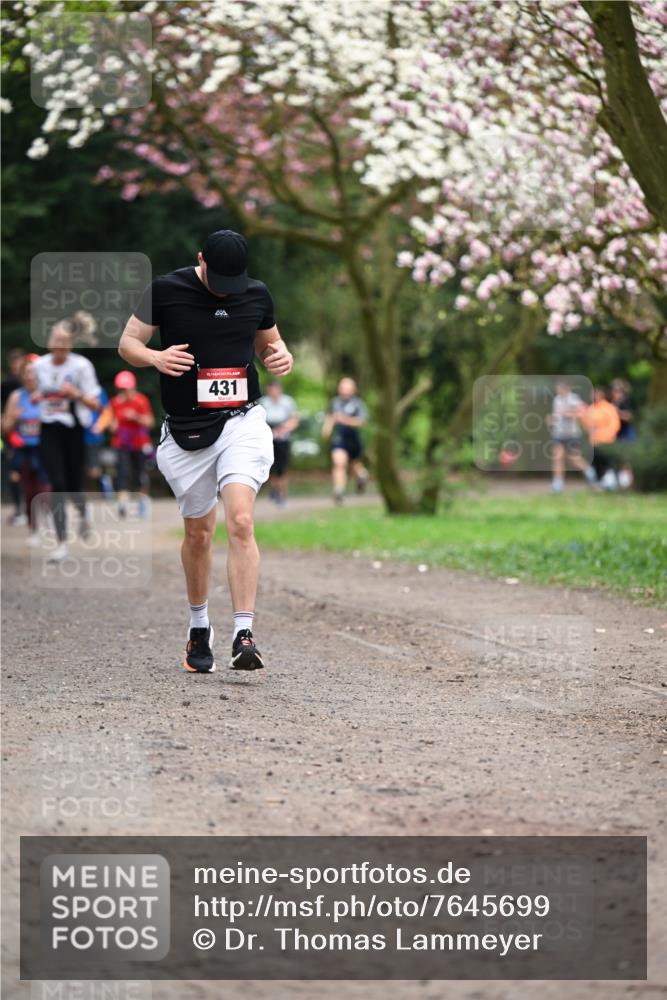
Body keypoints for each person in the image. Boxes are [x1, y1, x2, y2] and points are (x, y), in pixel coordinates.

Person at [118, 229, 293, 674]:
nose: (226, 289)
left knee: (241, 519)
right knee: (198, 533)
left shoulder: (256, 294)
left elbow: (271, 345)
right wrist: (155, 358)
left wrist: (280, 358)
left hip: (242, 421)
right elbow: (128, 344)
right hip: (186, 429)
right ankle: (200, 625)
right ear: (200, 260)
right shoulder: (166, 289)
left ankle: (244, 632)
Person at [32, 314, 103, 562]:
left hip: (74, 429)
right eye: (55, 340)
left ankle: (84, 514)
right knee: (57, 484)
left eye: (64, 342)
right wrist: (36, 397)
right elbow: (35, 393)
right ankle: (61, 543)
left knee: (74, 486)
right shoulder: (39, 366)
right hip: (49, 429)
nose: (59, 346)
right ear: (49, 341)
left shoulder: (81, 366)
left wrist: (76, 394)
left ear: (71, 344)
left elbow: (96, 405)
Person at [1, 357, 51, 543]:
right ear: (22, 375)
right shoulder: (16, 397)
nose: (31, 376)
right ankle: (34, 529)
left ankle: (46, 520)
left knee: (44, 486)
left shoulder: (47, 394)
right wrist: (13, 418)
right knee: (29, 491)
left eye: (34, 372)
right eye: (27, 372)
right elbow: (5, 427)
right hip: (23, 449)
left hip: (44, 447)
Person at [110, 370, 155, 518]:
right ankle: (123, 504)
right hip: (122, 443)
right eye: (121, 388)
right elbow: (111, 423)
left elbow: (150, 422)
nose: (124, 391)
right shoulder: (115, 402)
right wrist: (113, 426)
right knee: (122, 473)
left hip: (140, 444)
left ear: (132, 387)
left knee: (140, 474)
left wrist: (135, 417)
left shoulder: (140, 400)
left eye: (126, 388)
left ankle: (142, 503)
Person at [322, 377, 369, 504]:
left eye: (347, 387)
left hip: (353, 438)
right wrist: (327, 430)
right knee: (339, 463)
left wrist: (345, 420)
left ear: (353, 389)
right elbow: (330, 417)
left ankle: (361, 477)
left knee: (354, 466)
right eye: (342, 387)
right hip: (339, 437)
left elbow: (362, 422)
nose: (344, 390)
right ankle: (339, 490)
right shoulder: (335, 402)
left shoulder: (358, 404)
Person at [549, 380, 594, 493]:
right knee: (557, 457)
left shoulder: (573, 399)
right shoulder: (557, 400)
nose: (558, 391)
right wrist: (552, 419)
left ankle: (589, 471)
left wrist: (569, 414)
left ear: (566, 388)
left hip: (572, 434)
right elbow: (557, 415)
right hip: (559, 433)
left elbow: (583, 412)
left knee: (574, 458)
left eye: (560, 389)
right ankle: (558, 483)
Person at [259, 380, 299, 504]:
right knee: (270, 466)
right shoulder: (263, 403)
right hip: (268, 437)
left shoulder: (288, 402)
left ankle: (282, 492)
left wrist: (284, 428)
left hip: (283, 437)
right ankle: (274, 490)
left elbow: (294, 419)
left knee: (282, 467)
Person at [2, 347, 28, 524]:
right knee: (14, 471)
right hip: (12, 432)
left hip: (33, 434)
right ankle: (19, 509)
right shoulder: (7, 384)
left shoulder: (34, 382)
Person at [581, 385, 621, 489]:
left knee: (608, 464)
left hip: (606, 441)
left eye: (597, 393)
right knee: (595, 464)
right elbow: (586, 424)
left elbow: (614, 425)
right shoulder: (590, 409)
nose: (595, 396)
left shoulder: (609, 408)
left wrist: (603, 435)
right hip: (594, 442)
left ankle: (612, 483)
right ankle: (598, 484)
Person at [85, 386, 114, 497]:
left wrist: (99, 426)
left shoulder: (97, 390)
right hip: (76, 435)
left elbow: (106, 412)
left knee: (93, 471)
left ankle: (105, 482)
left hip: (92, 436)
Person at [611, 378, 635, 490]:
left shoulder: (626, 402)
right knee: (619, 459)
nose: (615, 393)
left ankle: (629, 482)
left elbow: (628, 417)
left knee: (627, 458)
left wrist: (616, 412)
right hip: (617, 434)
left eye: (617, 390)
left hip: (626, 433)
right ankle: (620, 482)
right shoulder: (613, 403)